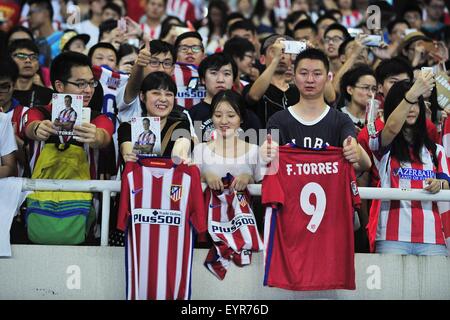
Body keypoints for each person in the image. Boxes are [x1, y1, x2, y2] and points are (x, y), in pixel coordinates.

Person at [368, 75, 450, 256]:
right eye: (405, 104)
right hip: (391, 238)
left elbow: (446, 184)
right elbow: (391, 128)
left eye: (415, 103)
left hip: (433, 239)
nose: (411, 109)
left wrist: (439, 184)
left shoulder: (436, 151)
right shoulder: (382, 145)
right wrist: (412, 93)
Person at [262, 48, 371, 173]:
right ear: (293, 76)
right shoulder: (277, 120)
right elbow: (267, 156)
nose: (310, 80)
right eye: (303, 73)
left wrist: (355, 151)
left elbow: (365, 164)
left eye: (317, 74)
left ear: (327, 78)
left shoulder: (341, 120)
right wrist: (265, 152)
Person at [193, 89, 265, 192]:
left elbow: (267, 191)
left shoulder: (255, 151)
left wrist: (249, 178)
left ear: (241, 119)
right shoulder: (199, 150)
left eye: (231, 116)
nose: (224, 121)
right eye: (218, 115)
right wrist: (204, 176)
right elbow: (187, 187)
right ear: (211, 117)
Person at [118, 72, 192, 162]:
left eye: (168, 94)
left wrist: (180, 158)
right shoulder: (129, 127)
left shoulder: (181, 125)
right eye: (156, 93)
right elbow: (128, 153)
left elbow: (181, 150)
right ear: (142, 96)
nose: (163, 99)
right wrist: (129, 156)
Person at [9, 39, 53, 108]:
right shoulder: (3, 93)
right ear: (9, 60)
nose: (28, 60)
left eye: (33, 57)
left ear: (38, 65)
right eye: (21, 56)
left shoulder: (49, 96)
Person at [339, 65, 377, 134]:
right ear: (350, 90)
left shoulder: (377, 119)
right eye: (365, 88)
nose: (371, 94)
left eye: (374, 89)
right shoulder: (337, 116)